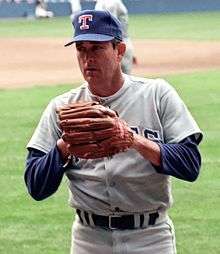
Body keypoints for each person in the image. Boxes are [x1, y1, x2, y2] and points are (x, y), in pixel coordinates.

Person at [24, 10, 203, 254]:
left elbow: (190, 165)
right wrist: (64, 147)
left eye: (96, 48)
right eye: (81, 49)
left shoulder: (157, 95)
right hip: (89, 240)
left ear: (119, 51)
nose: (87, 58)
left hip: (151, 238)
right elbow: (36, 185)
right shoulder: (62, 108)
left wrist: (134, 140)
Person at [95, 0, 137, 74]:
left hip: (115, 42)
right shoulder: (112, 2)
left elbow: (111, 23)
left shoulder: (110, 2)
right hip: (120, 42)